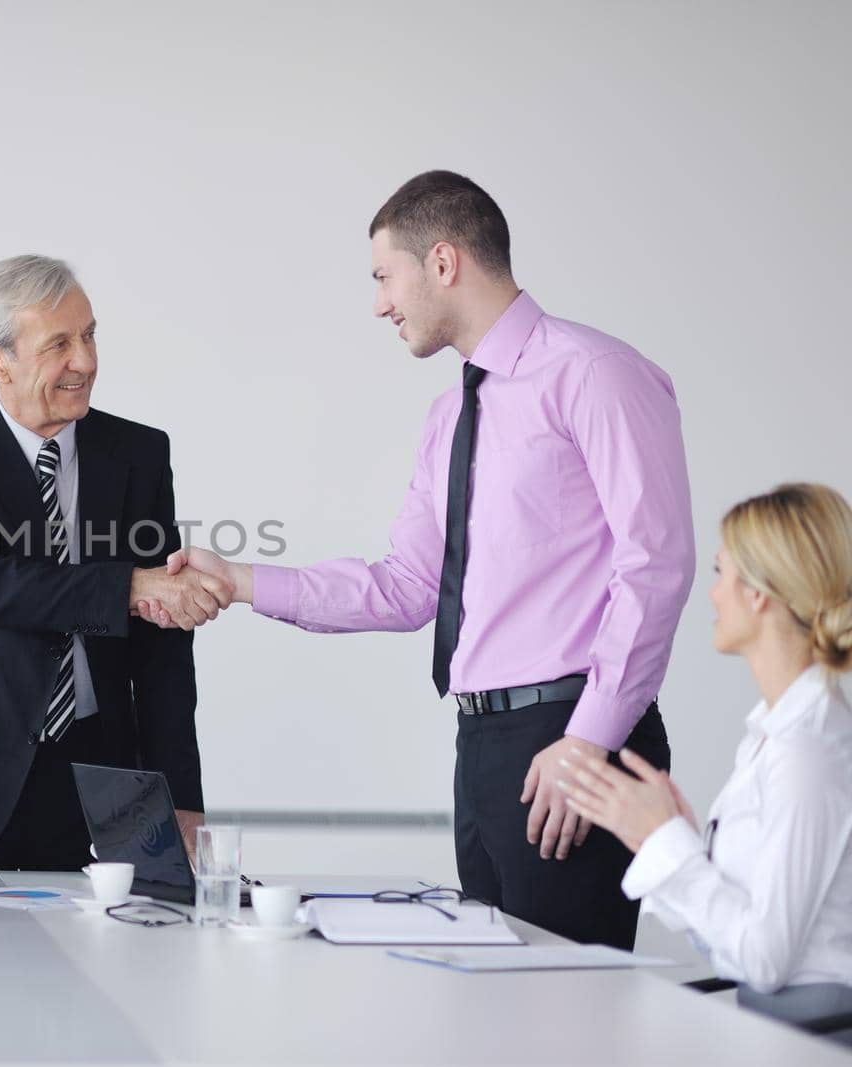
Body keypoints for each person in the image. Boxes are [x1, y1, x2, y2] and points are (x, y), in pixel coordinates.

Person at [139, 171, 695, 949]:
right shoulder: (449, 416)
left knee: (572, 1023)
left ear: (442, 262)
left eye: (381, 275)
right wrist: (237, 583)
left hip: (576, 737)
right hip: (485, 750)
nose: (378, 304)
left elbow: (657, 565)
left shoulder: (595, 374)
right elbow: (406, 588)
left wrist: (588, 740)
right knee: (494, 1013)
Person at [0, 254, 230, 872]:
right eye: (59, 344)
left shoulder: (138, 453)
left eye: (90, 335)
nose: (86, 362)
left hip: (106, 769)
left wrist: (183, 792)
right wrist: (127, 584)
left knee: (130, 958)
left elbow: (162, 644)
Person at [560, 483, 852, 1024]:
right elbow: (738, 938)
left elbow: (764, 960)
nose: (713, 594)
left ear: (759, 595)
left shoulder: (807, 752)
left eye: (722, 574)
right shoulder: (776, 736)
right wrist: (671, 844)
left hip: (805, 1037)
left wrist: (664, 843)